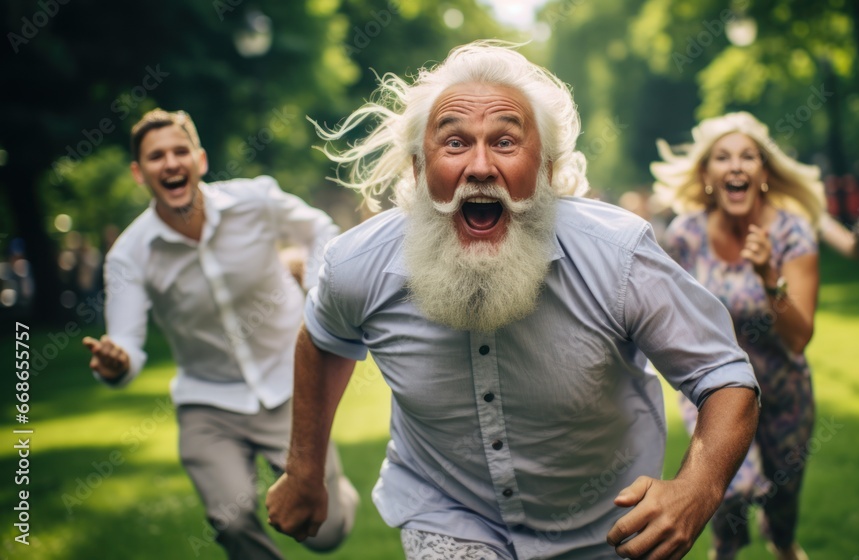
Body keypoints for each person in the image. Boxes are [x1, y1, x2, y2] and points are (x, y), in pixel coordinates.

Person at [265, 41, 760, 560]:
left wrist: (695, 489)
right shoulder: (356, 264)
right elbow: (323, 340)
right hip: (445, 512)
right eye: (454, 143)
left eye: (505, 141)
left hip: (609, 527)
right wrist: (304, 470)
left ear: (545, 170)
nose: (480, 166)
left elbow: (724, 376)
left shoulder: (618, 257)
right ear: (417, 169)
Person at [81, 109, 358, 560]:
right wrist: (117, 364)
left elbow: (320, 229)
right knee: (231, 519)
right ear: (138, 172)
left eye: (179, 151)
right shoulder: (129, 255)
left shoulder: (256, 199)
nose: (170, 163)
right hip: (208, 405)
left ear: (200, 160)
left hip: (289, 385)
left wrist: (315, 289)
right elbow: (125, 344)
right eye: (156, 157)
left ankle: (340, 492)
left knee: (324, 534)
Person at [652, 112, 825, 560]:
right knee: (727, 493)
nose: (735, 166)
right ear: (707, 175)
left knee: (783, 509)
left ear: (763, 174)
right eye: (722, 157)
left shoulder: (791, 232)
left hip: (784, 393)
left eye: (748, 157)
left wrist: (770, 276)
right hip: (712, 391)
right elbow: (673, 319)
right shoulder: (686, 235)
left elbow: (799, 336)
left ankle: (785, 546)